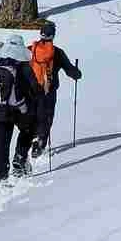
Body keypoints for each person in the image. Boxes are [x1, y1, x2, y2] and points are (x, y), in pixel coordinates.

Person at [0, 35, 40, 182]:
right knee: (28, 130)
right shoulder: (23, 66)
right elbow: (35, 88)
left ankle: (1, 177)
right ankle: (20, 157)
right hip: (19, 110)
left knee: (2, 145)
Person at [27, 21, 81, 158]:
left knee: (33, 115)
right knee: (47, 116)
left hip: (31, 90)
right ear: (53, 36)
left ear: (41, 34)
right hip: (49, 91)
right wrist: (77, 73)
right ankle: (40, 142)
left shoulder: (30, 50)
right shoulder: (57, 53)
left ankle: (32, 138)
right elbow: (70, 71)